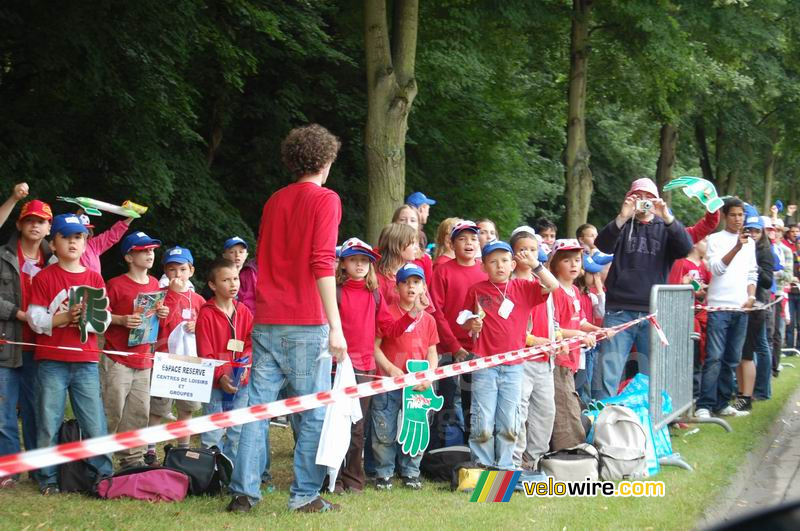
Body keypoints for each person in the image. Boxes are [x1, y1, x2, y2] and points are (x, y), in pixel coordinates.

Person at [227, 124, 345, 514]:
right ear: (325, 160)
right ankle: (305, 496)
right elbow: (322, 262)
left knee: (257, 410)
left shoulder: (275, 200)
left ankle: (244, 493)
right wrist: (337, 326)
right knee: (311, 412)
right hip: (306, 321)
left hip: (267, 319)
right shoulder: (326, 199)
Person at [26, 214, 113, 494]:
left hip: (86, 361)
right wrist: (63, 318)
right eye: (66, 237)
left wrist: (91, 319)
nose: (73, 242)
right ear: (54, 243)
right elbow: (34, 318)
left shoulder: (94, 277)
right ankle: (48, 479)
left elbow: (106, 319)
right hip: (51, 362)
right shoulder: (44, 277)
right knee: (48, 423)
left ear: (86, 243)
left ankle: (103, 475)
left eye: (78, 237)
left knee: (94, 422)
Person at [592, 177, 693, 399]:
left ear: (657, 200)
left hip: (653, 312)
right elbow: (602, 245)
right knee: (609, 371)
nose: (644, 202)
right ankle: (602, 422)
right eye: (638, 197)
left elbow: (686, 248)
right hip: (619, 310)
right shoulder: (623, 224)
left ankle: (651, 422)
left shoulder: (665, 227)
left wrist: (666, 216)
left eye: (649, 197)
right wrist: (622, 216)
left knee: (653, 373)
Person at [461, 240, 558, 469]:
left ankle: (505, 466)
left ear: (513, 264)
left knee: (510, 419)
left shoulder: (524, 288)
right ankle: (482, 465)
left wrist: (535, 264)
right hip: (484, 363)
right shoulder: (476, 290)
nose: (499, 266)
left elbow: (553, 286)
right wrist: (470, 325)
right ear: (483, 266)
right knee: (483, 418)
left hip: (515, 367)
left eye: (504, 261)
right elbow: (464, 319)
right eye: (492, 262)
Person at [334, 237, 417, 492]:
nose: (359, 265)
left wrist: (410, 315)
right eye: (353, 260)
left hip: (366, 368)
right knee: (335, 425)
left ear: (370, 266)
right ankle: (332, 478)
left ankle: (354, 480)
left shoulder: (375, 293)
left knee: (358, 428)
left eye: (364, 261)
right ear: (343, 263)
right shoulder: (334, 292)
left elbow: (388, 329)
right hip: (337, 367)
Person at [102, 231, 166, 470]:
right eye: (143, 251)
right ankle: (100, 458)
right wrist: (120, 320)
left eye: (151, 250)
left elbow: (155, 318)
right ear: (129, 257)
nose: (150, 254)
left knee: (139, 413)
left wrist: (162, 314)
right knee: (112, 410)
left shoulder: (154, 284)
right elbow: (99, 317)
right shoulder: (116, 284)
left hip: (143, 359)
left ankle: (133, 460)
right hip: (118, 358)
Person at [372, 263, 439, 490]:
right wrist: (390, 369)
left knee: (418, 427)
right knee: (384, 426)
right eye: (406, 282)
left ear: (423, 286)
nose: (411, 287)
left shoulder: (429, 319)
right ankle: (384, 473)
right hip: (389, 381)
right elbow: (375, 347)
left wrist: (429, 377)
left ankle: (411, 471)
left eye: (416, 282)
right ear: (397, 287)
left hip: (417, 386)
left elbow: (432, 352)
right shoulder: (387, 312)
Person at [0, 199, 52, 488]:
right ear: (19, 224)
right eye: (29, 219)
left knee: (37, 408)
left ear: (48, 228)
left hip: (44, 347)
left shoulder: (56, 260)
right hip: (7, 343)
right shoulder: (3, 256)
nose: (35, 224)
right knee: (3, 411)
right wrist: (19, 314)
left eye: (41, 221)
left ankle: (37, 468)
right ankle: (8, 469)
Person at [696, 199, 757, 418]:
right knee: (714, 357)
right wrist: (737, 247)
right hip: (718, 308)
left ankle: (722, 402)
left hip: (741, 308)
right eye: (733, 215)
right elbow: (717, 269)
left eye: (741, 215)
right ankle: (704, 404)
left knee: (732, 358)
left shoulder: (750, 243)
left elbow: (752, 273)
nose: (738, 219)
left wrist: (751, 296)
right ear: (724, 216)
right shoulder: (715, 240)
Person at [145, 246, 205, 464]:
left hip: (190, 362)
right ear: (165, 272)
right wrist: (172, 295)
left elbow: (207, 326)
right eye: (172, 270)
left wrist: (197, 324)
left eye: (182, 269)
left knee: (186, 410)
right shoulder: (160, 296)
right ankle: (150, 449)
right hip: (165, 360)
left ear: (191, 271)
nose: (177, 275)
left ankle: (183, 450)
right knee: (158, 409)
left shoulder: (198, 299)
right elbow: (160, 324)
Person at [548, 240, 607, 450]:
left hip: (572, 360)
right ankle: (569, 452)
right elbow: (553, 329)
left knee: (568, 403)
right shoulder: (554, 291)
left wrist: (595, 330)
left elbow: (579, 320)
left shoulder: (574, 289)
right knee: (565, 407)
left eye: (577, 259)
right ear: (554, 264)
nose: (574, 264)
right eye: (566, 260)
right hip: (558, 360)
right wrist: (581, 335)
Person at [429, 220, 486, 441]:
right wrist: (455, 347)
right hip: (449, 349)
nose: (469, 243)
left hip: (477, 349)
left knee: (474, 402)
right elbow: (437, 312)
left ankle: (472, 451)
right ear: (452, 244)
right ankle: (441, 451)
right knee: (446, 401)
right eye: (462, 239)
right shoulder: (442, 271)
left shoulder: (484, 270)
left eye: (473, 238)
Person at [196, 258, 254, 460]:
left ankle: (230, 474)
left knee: (237, 430)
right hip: (214, 383)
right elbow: (205, 352)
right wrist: (220, 375)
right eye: (226, 280)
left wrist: (245, 364)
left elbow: (250, 343)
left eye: (236, 279)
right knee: (213, 429)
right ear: (212, 285)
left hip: (241, 380)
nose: (233, 284)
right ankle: (210, 474)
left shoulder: (244, 311)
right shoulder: (206, 315)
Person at [508, 227, 556, 470]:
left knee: (545, 413)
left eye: (533, 249)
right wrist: (533, 341)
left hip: (545, 361)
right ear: (513, 255)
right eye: (522, 250)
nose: (528, 254)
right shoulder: (508, 284)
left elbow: (551, 316)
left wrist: (556, 338)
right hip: (522, 360)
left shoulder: (542, 280)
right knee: (520, 413)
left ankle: (534, 460)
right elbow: (510, 326)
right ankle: (515, 462)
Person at [735, 214, 774, 411]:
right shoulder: (740, 245)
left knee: (751, 351)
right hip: (738, 303)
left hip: (756, 306)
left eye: (757, 231)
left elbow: (768, 281)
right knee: (740, 352)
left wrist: (754, 267)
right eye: (749, 230)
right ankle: (741, 393)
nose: (753, 234)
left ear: (762, 232)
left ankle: (755, 393)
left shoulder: (764, 251)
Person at [668, 238, 710, 399]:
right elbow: (675, 284)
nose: (707, 244)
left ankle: (696, 394)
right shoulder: (682, 263)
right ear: (694, 244)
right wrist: (688, 285)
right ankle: (687, 395)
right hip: (685, 317)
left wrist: (700, 290)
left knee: (700, 356)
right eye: (704, 241)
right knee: (687, 357)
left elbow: (706, 287)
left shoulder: (705, 265)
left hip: (702, 315)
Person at [392, 205, 433, 281]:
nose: (408, 223)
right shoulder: (379, 253)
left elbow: (426, 288)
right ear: (394, 223)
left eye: (413, 220)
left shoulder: (425, 259)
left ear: (418, 225)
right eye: (402, 220)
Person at [221, 237, 258, 316]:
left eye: (241, 252)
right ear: (224, 255)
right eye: (232, 252)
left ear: (246, 254)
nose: (237, 255)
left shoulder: (251, 273)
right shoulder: (218, 275)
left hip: (249, 318)